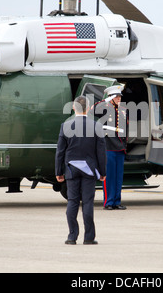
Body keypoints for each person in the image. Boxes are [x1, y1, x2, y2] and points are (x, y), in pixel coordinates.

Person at [55, 96, 107, 245]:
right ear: (89, 108)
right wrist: (103, 172)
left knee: (72, 202)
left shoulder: (65, 125)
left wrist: (59, 171)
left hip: (71, 169)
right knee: (88, 203)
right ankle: (89, 237)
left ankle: (72, 236)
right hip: (89, 170)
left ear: (73, 108)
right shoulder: (96, 126)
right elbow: (101, 152)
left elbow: (60, 152)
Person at [90, 84, 128, 210]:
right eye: (116, 97)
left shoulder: (123, 109)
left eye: (119, 96)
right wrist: (106, 99)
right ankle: (109, 202)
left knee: (118, 176)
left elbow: (126, 129)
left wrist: (125, 145)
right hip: (109, 145)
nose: (119, 98)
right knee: (109, 175)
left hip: (120, 146)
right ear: (110, 98)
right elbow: (92, 109)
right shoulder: (105, 108)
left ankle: (117, 201)